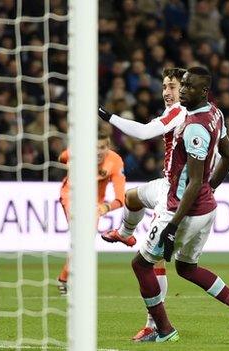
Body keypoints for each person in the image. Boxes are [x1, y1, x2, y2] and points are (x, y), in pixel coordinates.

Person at [130, 66, 229, 342]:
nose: (182, 90)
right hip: (206, 208)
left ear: (203, 91)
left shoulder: (194, 127)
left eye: (189, 86)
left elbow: (193, 182)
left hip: (182, 210)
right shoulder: (215, 112)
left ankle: (165, 331)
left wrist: (173, 225)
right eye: (182, 85)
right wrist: (210, 189)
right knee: (187, 268)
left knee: (141, 265)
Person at [97, 67, 187, 340]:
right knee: (132, 197)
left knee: (151, 261)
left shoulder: (180, 111)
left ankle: (155, 324)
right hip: (165, 184)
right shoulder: (194, 113)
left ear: (184, 89)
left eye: (171, 87)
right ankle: (125, 234)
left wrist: (108, 116)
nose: (166, 93)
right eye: (164, 87)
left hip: (175, 195)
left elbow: (145, 133)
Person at [57, 131, 125, 295]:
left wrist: (105, 208)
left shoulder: (115, 161)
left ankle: (64, 278)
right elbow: (62, 158)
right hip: (71, 195)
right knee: (81, 237)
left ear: (108, 147)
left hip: (95, 204)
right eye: (94, 147)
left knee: (84, 242)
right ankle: (74, 280)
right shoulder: (77, 152)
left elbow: (120, 198)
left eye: (102, 147)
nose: (98, 151)